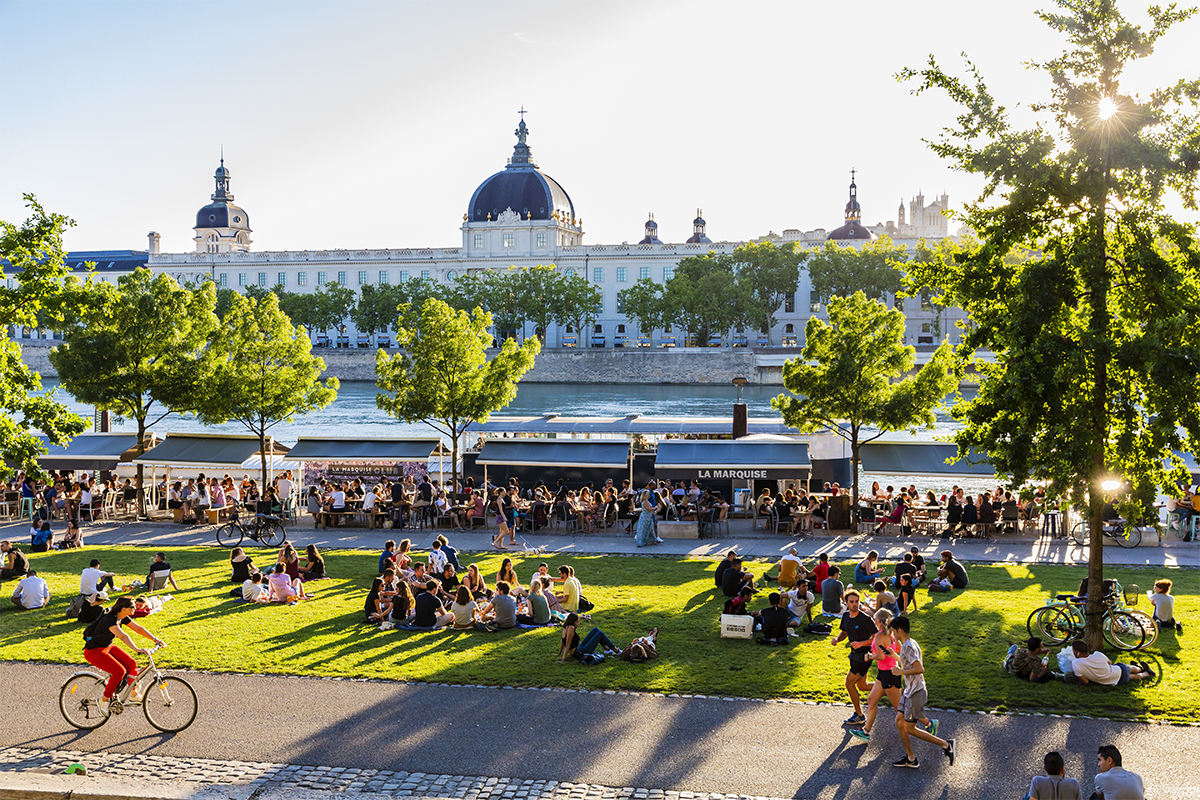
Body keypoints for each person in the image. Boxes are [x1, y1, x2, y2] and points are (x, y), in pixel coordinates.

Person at [889, 615, 955, 769]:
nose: (893, 635)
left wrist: (899, 673)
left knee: (910, 729)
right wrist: (895, 657)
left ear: (899, 631)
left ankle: (946, 745)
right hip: (909, 691)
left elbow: (919, 669)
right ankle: (911, 759)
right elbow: (908, 663)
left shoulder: (908, 646)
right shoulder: (910, 643)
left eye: (894, 632)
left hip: (916, 692)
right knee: (899, 722)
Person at [82, 596, 166, 712]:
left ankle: (134, 694)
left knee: (131, 663)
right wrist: (137, 649)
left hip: (107, 647)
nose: (135, 608)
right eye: (132, 607)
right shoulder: (109, 620)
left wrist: (155, 639)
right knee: (119, 671)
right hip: (94, 651)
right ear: (123, 608)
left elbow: (138, 629)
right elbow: (123, 636)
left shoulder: (122, 617)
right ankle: (104, 700)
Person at [849, 609, 902, 745]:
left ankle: (927, 723)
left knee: (900, 708)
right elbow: (899, 649)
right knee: (872, 700)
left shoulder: (879, 636)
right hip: (884, 672)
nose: (873, 619)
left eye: (875, 618)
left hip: (889, 674)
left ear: (879, 621)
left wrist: (869, 656)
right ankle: (866, 732)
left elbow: (881, 656)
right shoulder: (891, 634)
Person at [830, 589, 878, 725]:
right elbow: (844, 632)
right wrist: (837, 640)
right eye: (851, 602)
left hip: (864, 657)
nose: (855, 604)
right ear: (846, 602)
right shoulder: (845, 617)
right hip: (855, 655)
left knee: (849, 683)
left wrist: (861, 643)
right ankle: (889, 689)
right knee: (862, 686)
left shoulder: (865, 619)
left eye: (857, 602)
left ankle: (859, 715)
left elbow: (877, 638)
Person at [1070, 640, 1153, 685]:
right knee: (1127, 668)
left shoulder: (1076, 664)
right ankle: (1138, 668)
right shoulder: (1098, 654)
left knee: (1131, 677)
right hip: (1118, 671)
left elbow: (1086, 682)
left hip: (1116, 681)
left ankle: (1146, 674)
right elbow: (1110, 663)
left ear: (1078, 653)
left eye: (1073, 650)